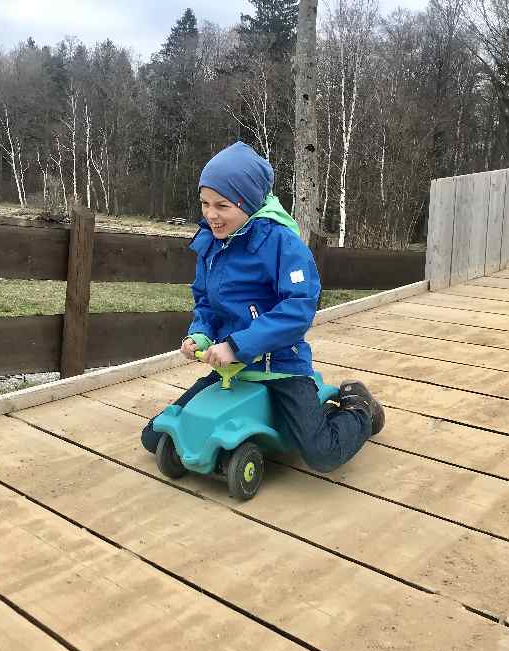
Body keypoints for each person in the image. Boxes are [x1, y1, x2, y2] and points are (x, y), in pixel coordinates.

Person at [141, 141, 384, 473]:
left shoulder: (282, 244)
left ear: (248, 202)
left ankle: (359, 409)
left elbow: (298, 307)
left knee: (322, 453)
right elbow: (207, 303)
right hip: (232, 370)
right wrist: (199, 335)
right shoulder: (212, 244)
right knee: (153, 437)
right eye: (205, 204)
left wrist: (238, 345)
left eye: (222, 205)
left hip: (281, 366)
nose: (211, 214)